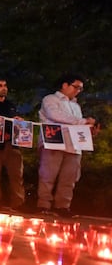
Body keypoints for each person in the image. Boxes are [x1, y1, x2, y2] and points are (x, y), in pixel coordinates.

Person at [37, 74, 96, 217]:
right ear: (65, 85)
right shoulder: (50, 99)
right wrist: (83, 121)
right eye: (76, 87)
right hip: (54, 141)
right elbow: (55, 115)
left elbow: (77, 124)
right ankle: (43, 205)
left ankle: (62, 206)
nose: (78, 91)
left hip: (74, 144)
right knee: (48, 175)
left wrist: (89, 128)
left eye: (80, 89)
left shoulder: (76, 106)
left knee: (69, 178)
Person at [0, 79, 26, 211]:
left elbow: (16, 122)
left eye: (5, 85)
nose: (4, 88)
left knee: (16, 175)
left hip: (12, 144)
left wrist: (20, 121)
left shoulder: (11, 105)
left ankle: (18, 203)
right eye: (0, 86)